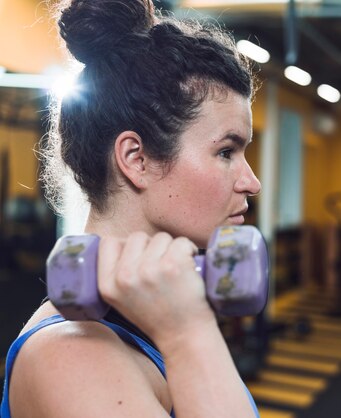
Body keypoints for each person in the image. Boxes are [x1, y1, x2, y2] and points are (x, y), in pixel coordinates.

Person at [1, 0, 262, 416]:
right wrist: (188, 332)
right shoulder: (69, 358)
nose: (252, 182)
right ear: (136, 159)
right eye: (227, 151)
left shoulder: (148, 319)